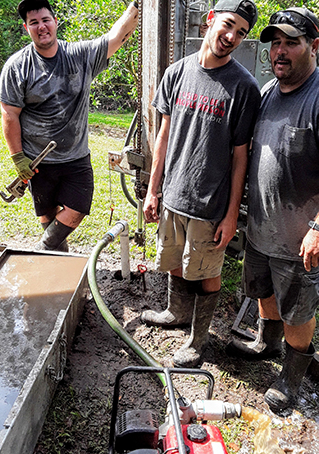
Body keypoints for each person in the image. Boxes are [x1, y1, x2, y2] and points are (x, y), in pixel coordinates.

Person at [141, 0, 261, 368]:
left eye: (241, 32)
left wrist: (231, 215)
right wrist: (153, 189)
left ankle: (198, 340)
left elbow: (241, 157)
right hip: (173, 194)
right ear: (210, 20)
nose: (231, 36)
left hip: (210, 203)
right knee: (175, 259)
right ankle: (176, 313)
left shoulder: (244, 87)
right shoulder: (176, 73)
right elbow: (162, 137)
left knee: (207, 271)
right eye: (228, 25)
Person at [226, 7, 319, 412]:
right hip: (261, 228)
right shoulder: (266, 93)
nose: (279, 51)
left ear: (314, 46)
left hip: (300, 240)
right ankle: (266, 343)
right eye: (275, 43)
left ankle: (293, 377)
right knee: (262, 292)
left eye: (291, 43)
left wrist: (318, 227)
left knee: (298, 310)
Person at [0, 0, 138, 251]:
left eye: (45, 20)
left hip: (76, 158)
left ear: (55, 22)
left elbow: (117, 36)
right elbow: (9, 113)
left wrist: (137, 6)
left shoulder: (79, 55)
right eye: (34, 23)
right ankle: (56, 272)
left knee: (77, 210)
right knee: (49, 220)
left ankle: (41, 252)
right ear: (26, 28)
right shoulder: (17, 66)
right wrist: (18, 158)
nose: (41, 27)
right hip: (38, 163)